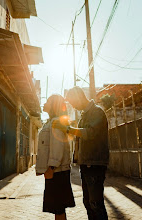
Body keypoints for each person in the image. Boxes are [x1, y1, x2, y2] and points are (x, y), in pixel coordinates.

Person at [53, 86, 109, 220]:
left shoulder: (96, 112)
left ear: (79, 97)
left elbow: (89, 133)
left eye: (72, 102)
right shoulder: (84, 114)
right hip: (86, 164)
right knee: (88, 203)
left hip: (94, 164)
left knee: (95, 203)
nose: (73, 106)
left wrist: (67, 129)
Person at [36, 94, 75, 220]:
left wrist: (51, 168)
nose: (45, 103)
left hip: (57, 171)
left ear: (53, 105)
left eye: (48, 101)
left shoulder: (56, 122)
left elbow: (58, 146)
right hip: (56, 171)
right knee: (57, 208)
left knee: (58, 208)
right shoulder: (51, 122)